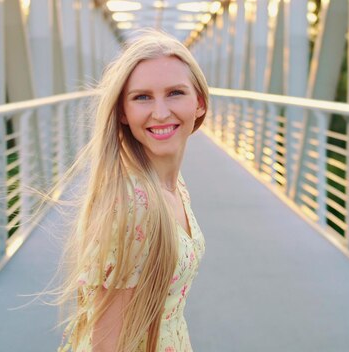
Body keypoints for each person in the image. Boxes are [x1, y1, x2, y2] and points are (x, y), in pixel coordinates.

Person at [56, 29, 209, 352]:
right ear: (123, 113)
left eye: (175, 93)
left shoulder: (172, 185)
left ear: (200, 103)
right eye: (142, 97)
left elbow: (169, 312)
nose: (161, 111)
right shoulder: (132, 206)